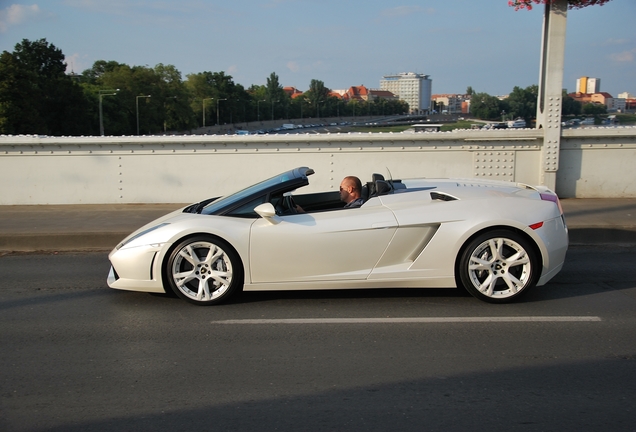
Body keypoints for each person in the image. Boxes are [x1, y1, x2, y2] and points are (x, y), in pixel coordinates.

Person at [294, 175, 364, 213]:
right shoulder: (354, 207)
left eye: (341, 189)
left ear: (350, 189)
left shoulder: (355, 209)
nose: (339, 192)